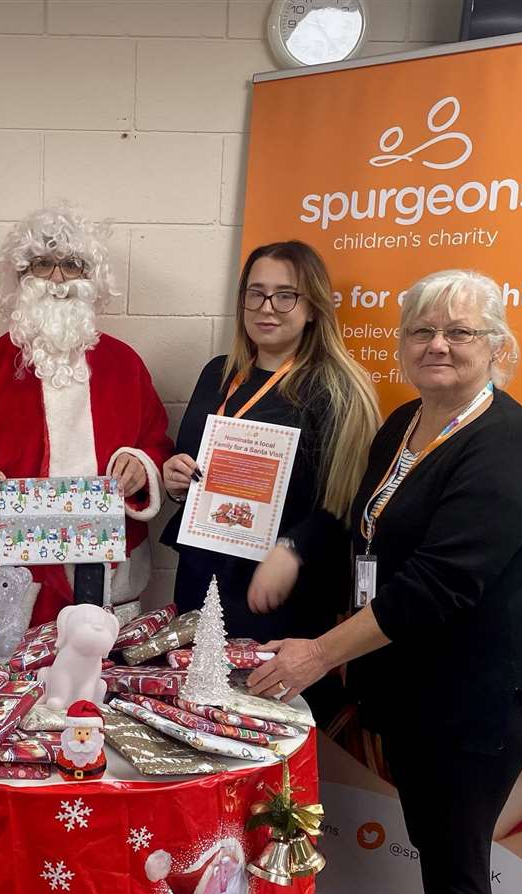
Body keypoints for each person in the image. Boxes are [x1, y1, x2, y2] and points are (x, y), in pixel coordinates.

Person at [247, 269, 522, 894]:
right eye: (422, 331)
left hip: (482, 692)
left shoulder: (511, 447)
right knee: (431, 834)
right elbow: (364, 527)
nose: (439, 346)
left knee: (456, 851)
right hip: (418, 683)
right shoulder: (403, 422)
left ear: (497, 346)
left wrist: (316, 652)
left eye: (460, 332)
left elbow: (438, 585)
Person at [160, 241, 378, 722]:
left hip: (277, 589)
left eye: (285, 296)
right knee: (199, 710)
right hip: (204, 571)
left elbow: (346, 502)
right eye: (255, 294)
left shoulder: (337, 388)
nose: (267, 308)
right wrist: (176, 476)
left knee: (264, 723)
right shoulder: (218, 373)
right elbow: (193, 461)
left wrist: (292, 548)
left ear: (313, 307)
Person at [0, 203, 173, 628]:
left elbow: (157, 443)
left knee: (98, 687)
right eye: (43, 265)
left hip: (106, 577)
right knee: (7, 690)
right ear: (22, 278)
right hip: (11, 582)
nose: (58, 279)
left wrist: (143, 466)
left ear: (91, 279)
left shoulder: (125, 366)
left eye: (73, 265)